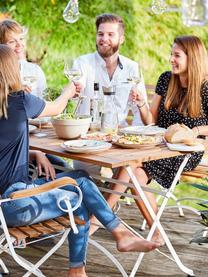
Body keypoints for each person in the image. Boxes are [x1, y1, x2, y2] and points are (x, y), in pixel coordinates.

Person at [0, 44, 159, 277]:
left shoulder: (13, 103)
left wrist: (34, 153)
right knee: (79, 195)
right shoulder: (19, 100)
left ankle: (89, 261)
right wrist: (71, 88)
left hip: (9, 201)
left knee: (81, 178)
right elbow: (56, 107)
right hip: (16, 205)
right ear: (11, 71)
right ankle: (99, 252)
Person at [98, 35, 208, 244]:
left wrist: (195, 131)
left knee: (130, 163)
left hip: (184, 151)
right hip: (157, 146)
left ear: (192, 58)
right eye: (171, 54)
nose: (170, 59)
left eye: (177, 55)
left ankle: (99, 218)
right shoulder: (166, 79)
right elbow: (152, 121)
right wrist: (141, 104)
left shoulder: (205, 87)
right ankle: (157, 234)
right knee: (135, 175)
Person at [73, 13, 148, 175]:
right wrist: (75, 89)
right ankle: (101, 198)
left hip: (119, 141)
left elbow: (139, 110)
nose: (104, 39)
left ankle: (108, 200)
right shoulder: (83, 63)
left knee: (129, 170)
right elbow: (76, 87)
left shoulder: (132, 68)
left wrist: (132, 138)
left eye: (110, 34)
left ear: (121, 39)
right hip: (88, 139)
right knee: (84, 177)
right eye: (100, 34)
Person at [0, 19, 68, 171]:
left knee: (61, 166)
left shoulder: (34, 70)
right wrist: (68, 92)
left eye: (21, 39)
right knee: (76, 176)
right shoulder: (18, 97)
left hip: (31, 140)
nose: (19, 45)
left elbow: (44, 110)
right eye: (12, 41)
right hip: (15, 163)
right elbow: (56, 108)